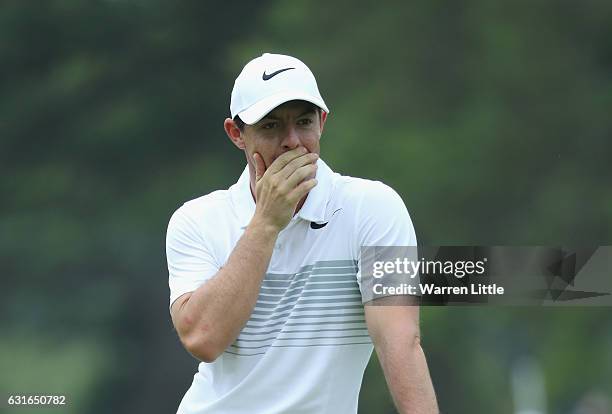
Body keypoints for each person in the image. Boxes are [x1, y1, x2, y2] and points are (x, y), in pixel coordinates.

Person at [166, 53, 438, 414]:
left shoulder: (374, 208)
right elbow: (202, 337)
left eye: (304, 122)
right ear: (236, 134)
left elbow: (399, 343)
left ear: (322, 123)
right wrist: (266, 223)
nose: (292, 142)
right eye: (271, 126)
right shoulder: (197, 219)